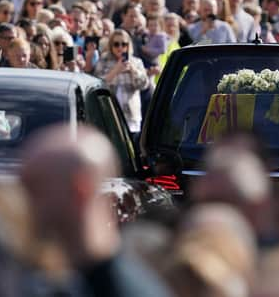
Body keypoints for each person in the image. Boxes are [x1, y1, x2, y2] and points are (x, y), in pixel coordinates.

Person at [19, 124, 171, 296]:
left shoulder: (129, 289)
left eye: (35, 187)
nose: (22, 199)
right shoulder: (38, 280)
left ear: (80, 188)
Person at [94, 29, 149, 133]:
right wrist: (115, 70)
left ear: (129, 45)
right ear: (111, 45)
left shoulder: (136, 62)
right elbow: (96, 84)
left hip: (131, 115)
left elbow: (144, 85)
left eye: (124, 44)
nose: (120, 47)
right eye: (116, 44)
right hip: (109, 113)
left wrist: (133, 70)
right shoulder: (103, 60)